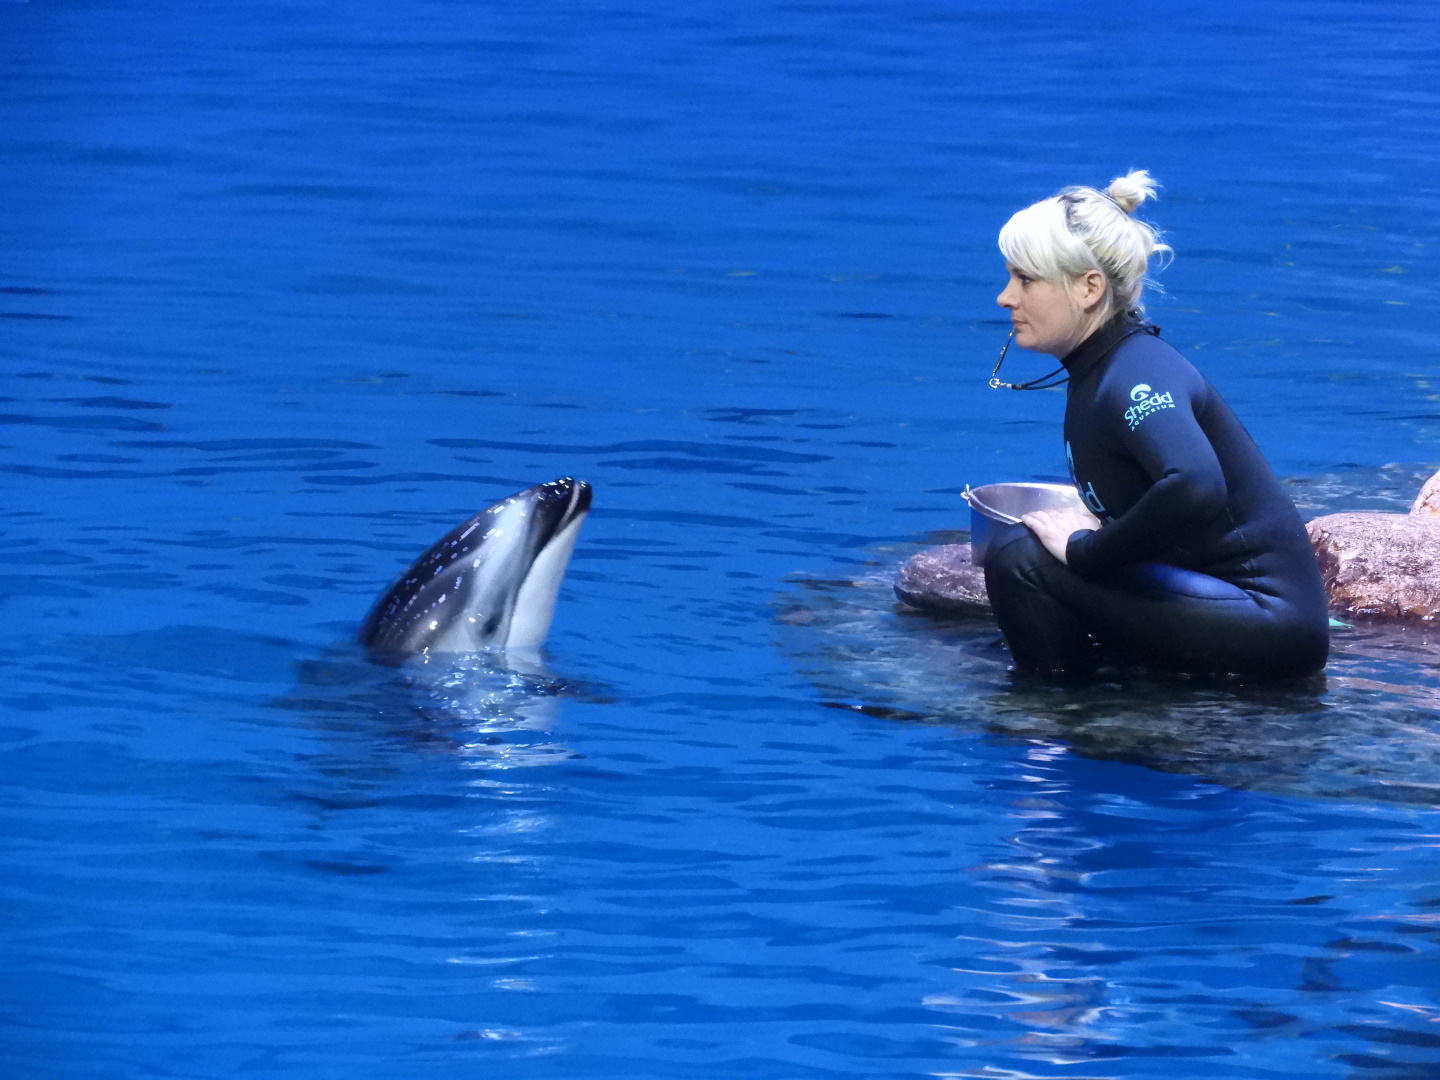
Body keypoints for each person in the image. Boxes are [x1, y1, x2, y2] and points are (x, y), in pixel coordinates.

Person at [982, 170, 1329, 678]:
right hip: (1228, 604)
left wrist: (1086, 550)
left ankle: (1061, 710)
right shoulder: (1106, 367)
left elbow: (1195, 484)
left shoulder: (1133, 374)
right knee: (1033, 548)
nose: (1006, 297)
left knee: (1021, 559)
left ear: (1089, 287)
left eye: (1025, 279)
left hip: (1271, 621)